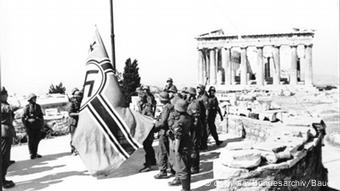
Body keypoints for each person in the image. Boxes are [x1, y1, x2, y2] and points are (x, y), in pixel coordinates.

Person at [168, 99, 193, 191]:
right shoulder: (189, 117)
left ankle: (185, 189)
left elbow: (178, 136)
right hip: (188, 143)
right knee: (187, 167)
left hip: (181, 146)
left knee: (182, 168)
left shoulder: (179, 122)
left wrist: (177, 150)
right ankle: (187, 188)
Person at [153, 91, 175, 179]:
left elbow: (163, 122)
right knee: (170, 152)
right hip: (169, 132)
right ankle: (173, 169)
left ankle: (163, 171)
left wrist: (155, 125)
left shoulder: (166, 108)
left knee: (162, 152)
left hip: (164, 132)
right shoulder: (171, 106)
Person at [139, 85, 157, 172]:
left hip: (148, 127)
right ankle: (152, 161)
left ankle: (148, 164)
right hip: (146, 127)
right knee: (148, 145)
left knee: (147, 145)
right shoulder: (144, 104)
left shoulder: (148, 106)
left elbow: (149, 117)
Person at [0, 87, 16, 188]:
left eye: (6, 94)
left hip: (7, 131)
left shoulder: (5, 104)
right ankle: (2, 181)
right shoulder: (3, 105)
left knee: (5, 158)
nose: (6, 96)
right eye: (3, 94)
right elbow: (7, 109)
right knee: (4, 158)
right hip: (4, 132)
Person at [22, 93, 44, 159]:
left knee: (36, 140)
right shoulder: (27, 107)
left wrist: (41, 123)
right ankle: (31, 153)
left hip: (37, 125)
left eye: (35, 98)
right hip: (30, 127)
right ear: (30, 99)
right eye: (33, 98)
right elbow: (23, 117)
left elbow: (41, 116)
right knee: (31, 140)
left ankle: (35, 152)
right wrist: (26, 125)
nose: (35, 99)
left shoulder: (38, 106)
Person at [186, 87, 202, 174]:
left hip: (194, 130)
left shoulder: (194, 104)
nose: (186, 95)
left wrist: (192, 131)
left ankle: (195, 167)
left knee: (194, 148)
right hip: (192, 129)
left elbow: (196, 119)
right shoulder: (190, 103)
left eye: (188, 94)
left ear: (191, 95)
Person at [68, 88, 83, 155]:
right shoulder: (72, 103)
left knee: (79, 136)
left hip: (79, 122)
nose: (79, 97)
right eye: (78, 96)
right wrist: (78, 114)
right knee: (73, 137)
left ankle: (77, 149)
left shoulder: (81, 102)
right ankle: (73, 149)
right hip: (73, 122)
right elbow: (70, 113)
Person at [196, 84, 209, 150]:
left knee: (203, 132)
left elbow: (207, 108)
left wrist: (206, 117)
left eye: (199, 88)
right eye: (197, 88)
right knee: (199, 132)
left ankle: (204, 145)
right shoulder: (198, 96)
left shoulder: (204, 97)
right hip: (199, 116)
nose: (198, 89)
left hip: (203, 117)